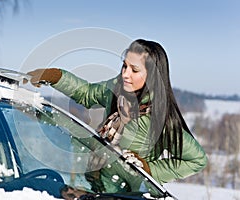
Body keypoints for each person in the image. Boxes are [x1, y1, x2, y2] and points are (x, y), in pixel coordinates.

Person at [26, 39, 208, 192]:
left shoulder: (158, 118)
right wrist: (55, 76)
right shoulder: (115, 89)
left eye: (134, 70)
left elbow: (197, 160)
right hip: (97, 187)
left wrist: (149, 170)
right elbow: (86, 93)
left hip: (131, 195)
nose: (125, 74)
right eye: (124, 66)